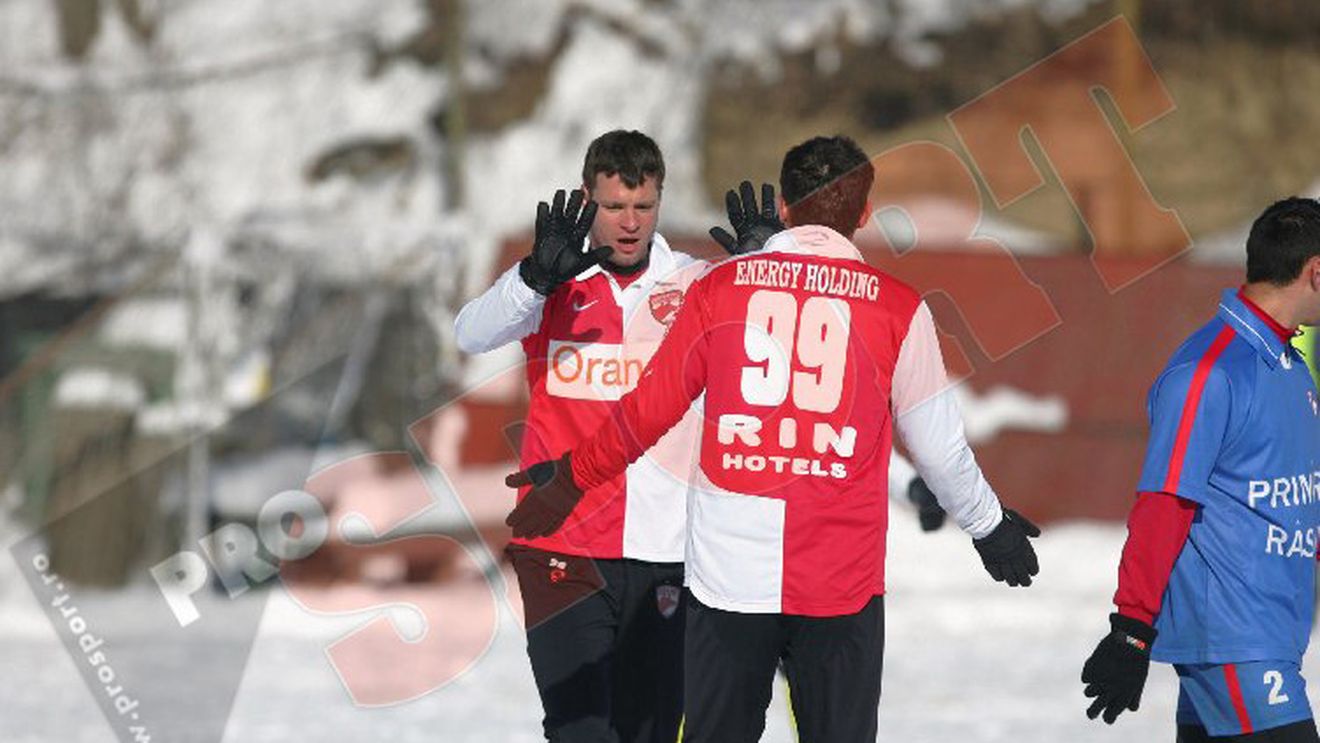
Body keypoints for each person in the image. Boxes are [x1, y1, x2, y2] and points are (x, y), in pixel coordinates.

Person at [505, 134, 1042, 743]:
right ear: (864, 214)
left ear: (782, 206)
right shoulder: (899, 309)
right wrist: (989, 528)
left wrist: (574, 474)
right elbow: (940, 450)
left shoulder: (719, 290)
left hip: (728, 584)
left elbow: (647, 413)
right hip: (839, 588)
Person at [454, 130, 720, 742]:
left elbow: (769, 341)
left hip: (668, 551)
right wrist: (532, 278)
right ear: (586, 200)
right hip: (562, 544)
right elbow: (470, 333)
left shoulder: (695, 283)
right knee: (579, 729)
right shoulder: (553, 281)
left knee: (647, 731)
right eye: (614, 207)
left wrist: (760, 270)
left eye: (644, 207)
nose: (630, 223)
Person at [1081, 197, 1320, 742]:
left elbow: (1295, 501)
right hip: (1236, 642)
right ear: (1315, 271)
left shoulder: (1288, 364)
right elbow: (1164, 505)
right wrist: (1132, 629)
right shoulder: (1208, 372)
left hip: (1270, 636)